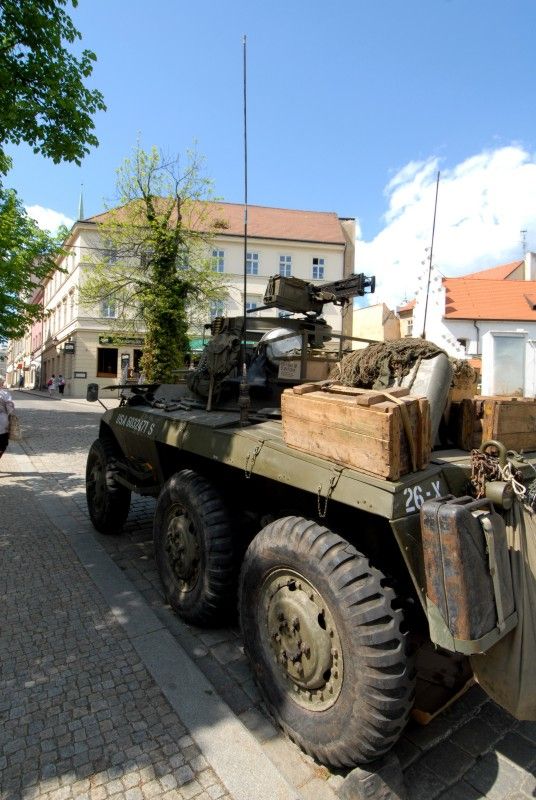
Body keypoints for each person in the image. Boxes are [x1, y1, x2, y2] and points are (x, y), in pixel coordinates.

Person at [0, 376, 15, 460]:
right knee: (2, 445)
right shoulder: (5, 394)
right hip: (2, 422)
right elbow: (10, 408)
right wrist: (11, 414)